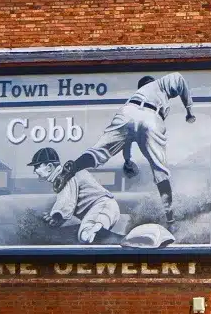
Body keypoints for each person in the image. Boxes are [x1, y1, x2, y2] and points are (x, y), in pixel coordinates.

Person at [55, 72, 196, 226]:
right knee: (160, 171)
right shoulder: (159, 85)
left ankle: (73, 167)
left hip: (127, 113)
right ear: (150, 83)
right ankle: (170, 218)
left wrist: (127, 160)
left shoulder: (136, 95)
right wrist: (189, 111)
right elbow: (179, 79)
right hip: (152, 117)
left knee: (100, 151)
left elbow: (126, 141)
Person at [29, 147, 121, 244]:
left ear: (49, 167)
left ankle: (123, 241)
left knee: (86, 235)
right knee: (89, 236)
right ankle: (122, 241)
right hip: (106, 208)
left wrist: (57, 216)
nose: (34, 171)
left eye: (37, 167)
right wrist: (55, 215)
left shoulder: (65, 175)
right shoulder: (66, 174)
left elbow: (67, 202)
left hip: (102, 207)